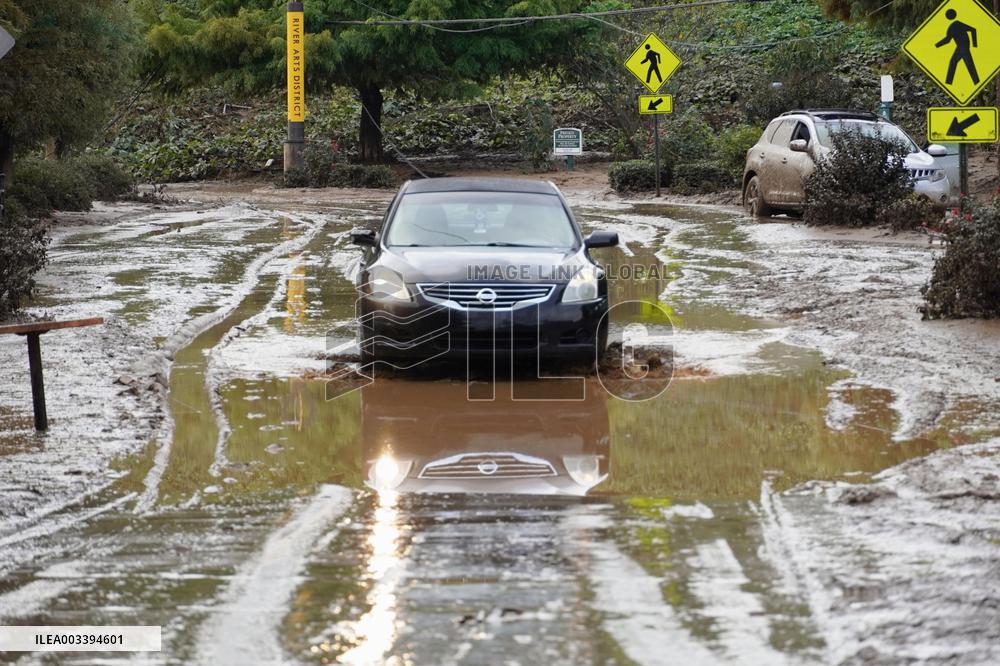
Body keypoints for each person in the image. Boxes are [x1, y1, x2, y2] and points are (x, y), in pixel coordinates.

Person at [936, 8, 979, 85]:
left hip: (963, 47)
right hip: (962, 47)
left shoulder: (955, 25)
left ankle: (949, 82)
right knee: (966, 64)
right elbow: (948, 40)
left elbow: (973, 30)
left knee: (957, 63)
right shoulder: (955, 25)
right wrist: (937, 45)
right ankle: (976, 82)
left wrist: (975, 45)